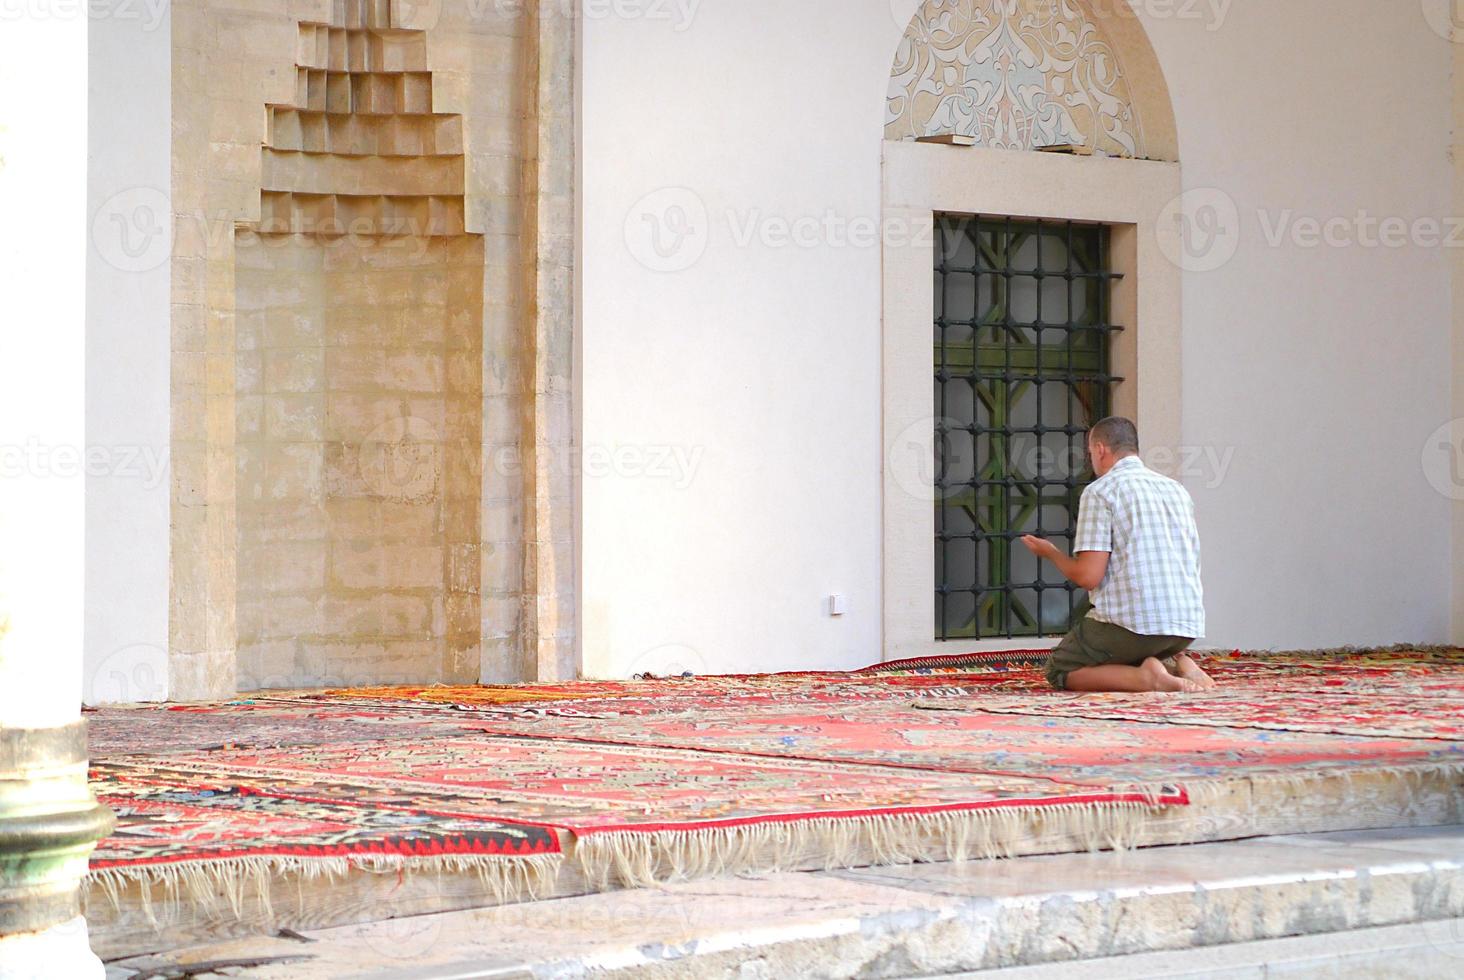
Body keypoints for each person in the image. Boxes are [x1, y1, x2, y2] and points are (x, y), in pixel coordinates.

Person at [1020, 417, 1213, 694]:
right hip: (1185, 626)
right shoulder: (1175, 489)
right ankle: (1176, 661)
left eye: (1090, 453)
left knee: (1060, 668)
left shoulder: (1101, 491)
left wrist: (1050, 553)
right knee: (1133, 647)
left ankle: (1150, 679)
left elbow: (1088, 576)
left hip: (1133, 627)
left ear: (1100, 449)